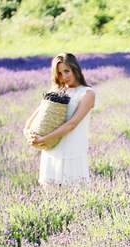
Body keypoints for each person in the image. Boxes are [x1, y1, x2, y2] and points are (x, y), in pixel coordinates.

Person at [23, 53, 96, 187]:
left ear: (75, 69)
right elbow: (36, 116)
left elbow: (72, 124)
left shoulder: (87, 93)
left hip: (72, 151)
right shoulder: (56, 91)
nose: (64, 76)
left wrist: (44, 139)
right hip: (52, 151)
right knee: (52, 198)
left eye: (67, 71)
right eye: (60, 73)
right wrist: (28, 133)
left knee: (76, 194)